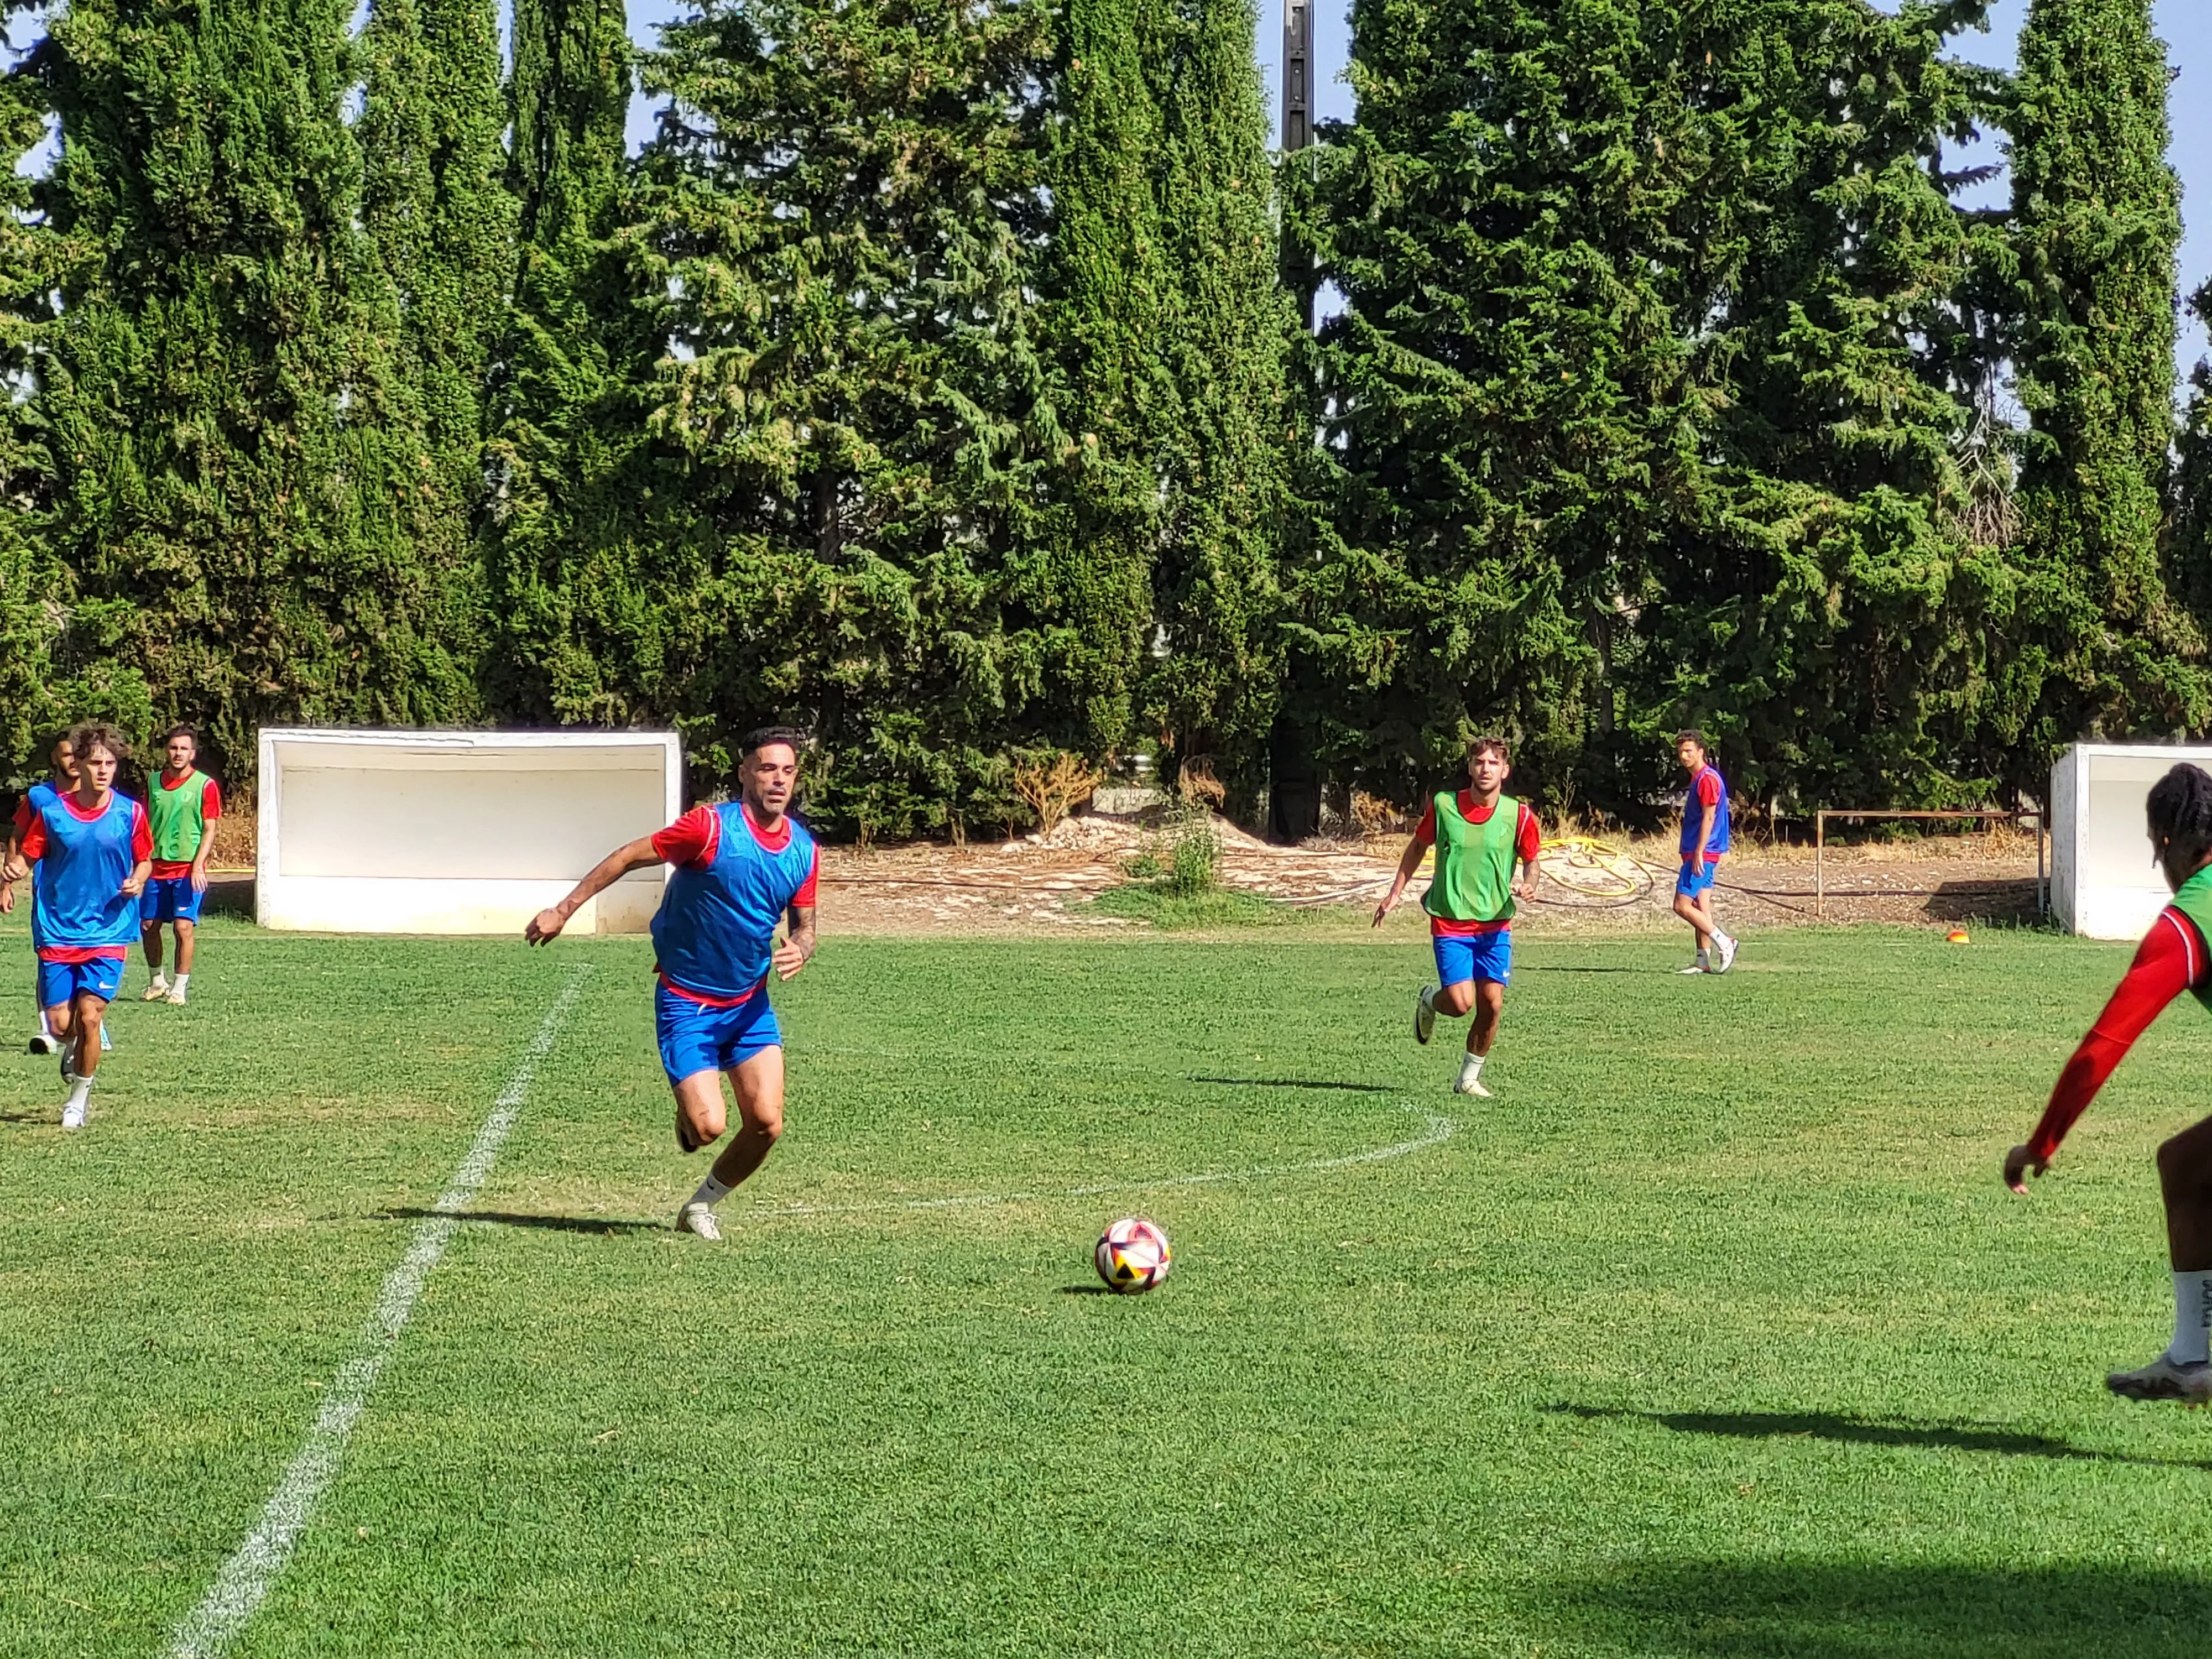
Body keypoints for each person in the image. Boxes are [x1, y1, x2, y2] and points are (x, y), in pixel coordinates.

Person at [526, 727, 819, 1240]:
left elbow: (807, 924)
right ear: (744, 772)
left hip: (750, 1004)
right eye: (767, 768)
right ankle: (690, 1119)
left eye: (788, 771)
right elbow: (627, 856)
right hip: (687, 1000)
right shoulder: (706, 829)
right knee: (708, 1128)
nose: (778, 780)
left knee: (767, 1123)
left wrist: (801, 947)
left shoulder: (803, 850)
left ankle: (700, 1207)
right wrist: (563, 909)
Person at [2006, 763, 2212, 1406]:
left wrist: (2042, 1142)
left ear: (2164, 843)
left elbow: (2102, 1049)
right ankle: (2191, 1356)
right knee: (2185, 1166)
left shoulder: (2188, 921)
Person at [1372, 735, 1541, 1097]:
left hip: (1496, 925)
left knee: (1492, 1004)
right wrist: (1394, 893)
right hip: (1450, 921)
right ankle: (1430, 999)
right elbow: (1418, 845)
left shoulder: (1520, 815)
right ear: (1470, 768)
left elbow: (1532, 862)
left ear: (1505, 771)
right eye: (1479, 762)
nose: (1485, 769)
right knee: (1462, 1003)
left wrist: (1529, 885)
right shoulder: (1445, 805)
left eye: (1493, 763)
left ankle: (1468, 1079)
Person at [0, 723, 150, 1129]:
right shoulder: (51, 813)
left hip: (109, 929)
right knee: (61, 1025)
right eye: (96, 762)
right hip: (58, 929)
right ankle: (74, 1048)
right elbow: (27, 858)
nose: (104, 770)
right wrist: (13, 870)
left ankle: (78, 1100)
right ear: (78, 764)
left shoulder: (130, 812)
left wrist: (139, 878)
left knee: (89, 1018)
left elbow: (145, 857)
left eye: (111, 763)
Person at [139, 724, 221, 1005]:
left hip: (187, 869)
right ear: (167, 750)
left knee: (183, 928)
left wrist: (199, 865)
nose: (178, 753)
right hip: (155, 867)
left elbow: (209, 829)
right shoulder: (153, 782)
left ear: (192, 753)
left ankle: (179, 988)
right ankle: (157, 981)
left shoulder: (204, 785)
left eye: (183, 748)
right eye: (174, 747)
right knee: (149, 925)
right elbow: (145, 825)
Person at [8, 732, 76, 1053]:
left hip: (90, 899)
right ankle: (47, 1028)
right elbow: (17, 838)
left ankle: (90, 1025)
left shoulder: (100, 799)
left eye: (79, 754)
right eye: (66, 755)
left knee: (89, 963)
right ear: (54, 759)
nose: (73, 761)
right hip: (49, 899)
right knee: (48, 962)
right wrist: (6, 883)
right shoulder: (39, 798)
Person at [1672, 730, 1737, 974]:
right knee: (1702, 906)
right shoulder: (1698, 779)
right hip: (1699, 851)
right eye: (1681, 752)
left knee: (1682, 905)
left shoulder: (1707, 779)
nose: (1684, 755)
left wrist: (1699, 850)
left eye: (1689, 751)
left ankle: (1726, 942)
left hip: (1703, 852)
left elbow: (1709, 816)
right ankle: (1703, 961)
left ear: (1701, 752)